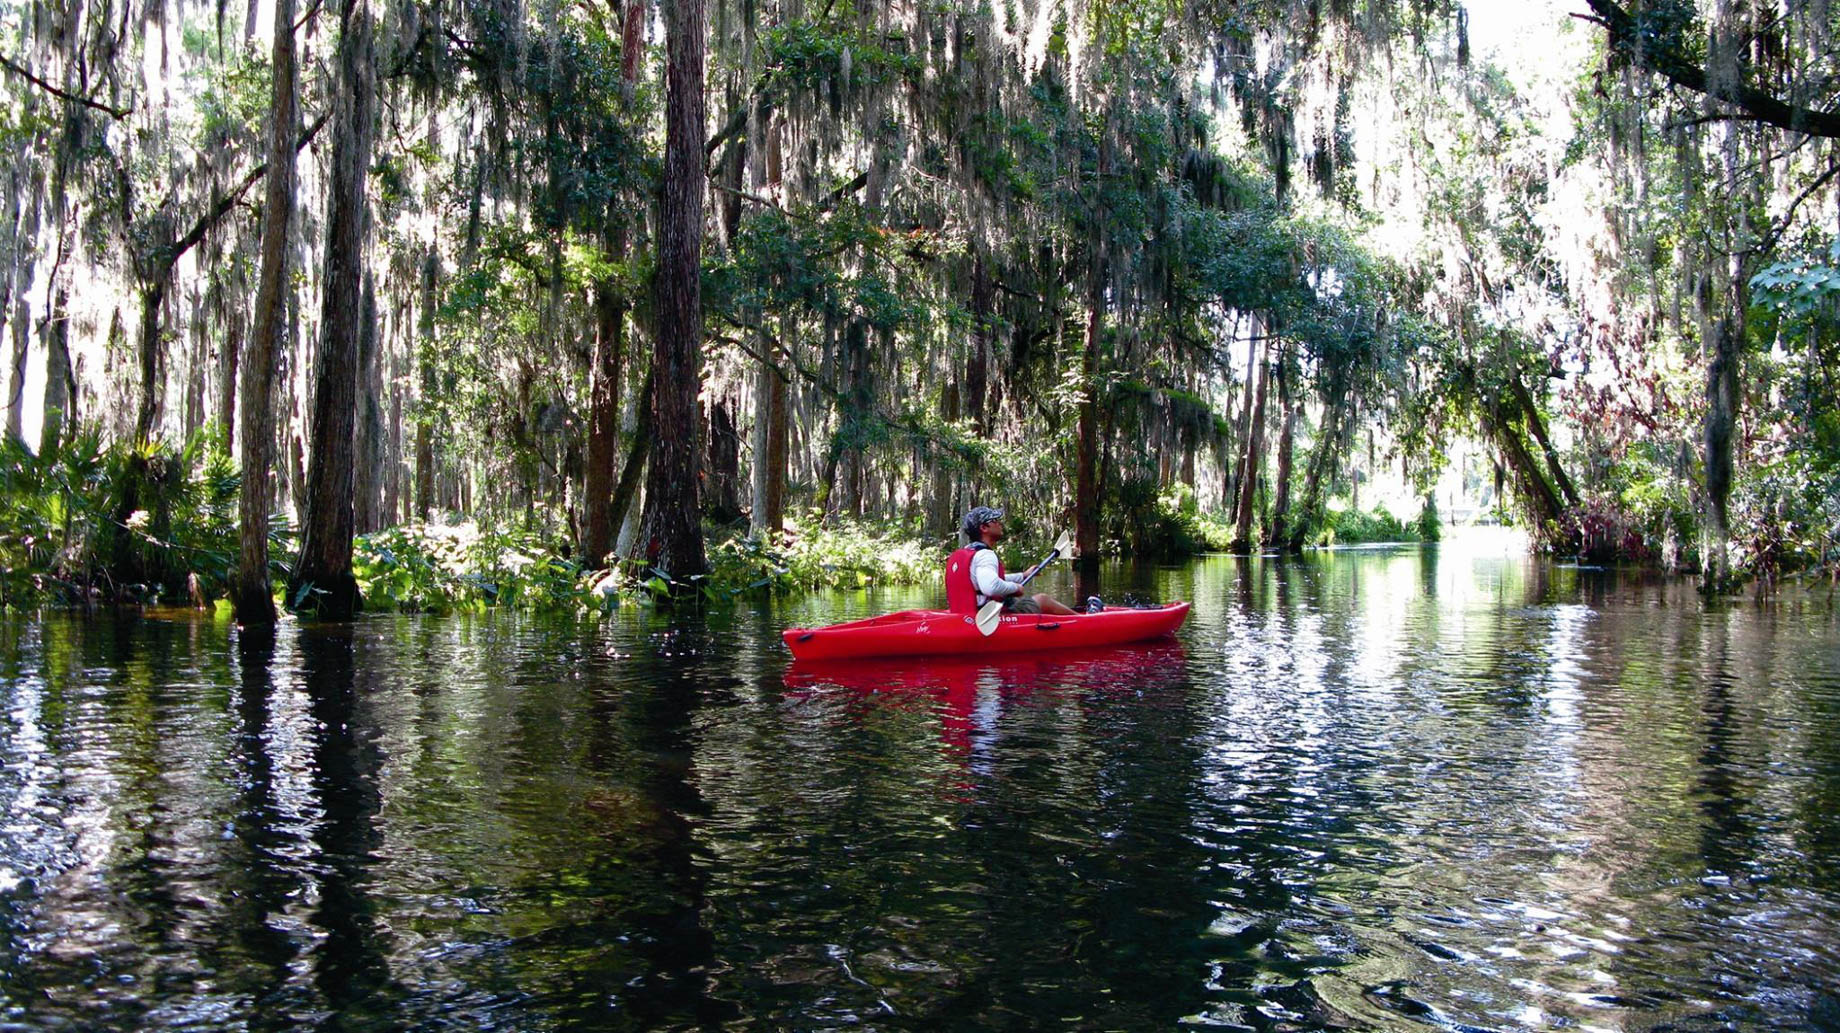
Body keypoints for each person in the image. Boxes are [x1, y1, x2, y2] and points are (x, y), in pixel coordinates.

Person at [945, 506, 1077, 616]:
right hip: (986, 617)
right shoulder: (986, 555)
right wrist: (1015, 588)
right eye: (994, 520)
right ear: (984, 528)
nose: (999, 523)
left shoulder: (970, 552)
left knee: (1020, 601)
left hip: (968, 614)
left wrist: (1023, 576)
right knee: (1042, 600)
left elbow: (988, 580)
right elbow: (990, 587)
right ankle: (1085, 621)